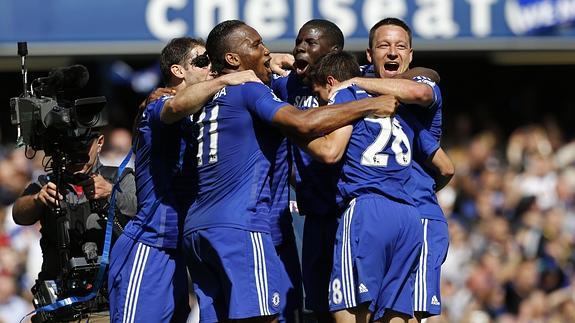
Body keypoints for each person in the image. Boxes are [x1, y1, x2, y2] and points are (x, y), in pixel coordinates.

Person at [183, 20, 398, 323]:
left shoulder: (209, 96)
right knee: (282, 314)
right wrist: (368, 106)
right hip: (249, 223)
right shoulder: (263, 89)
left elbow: (425, 82)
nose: (269, 51)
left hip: (207, 224)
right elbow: (316, 138)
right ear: (233, 59)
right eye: (257, 45)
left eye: (309, 43)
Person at [107, 37, 261, 323]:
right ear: (178, 71)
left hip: (180, 247)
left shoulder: (199, 110)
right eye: (202, 62)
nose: (211, 69)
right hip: (149, 245)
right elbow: (174, 108)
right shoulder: (159, 104)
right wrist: (225, 81)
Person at [306, 51, 454, 323]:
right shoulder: (399, 107)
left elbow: (331, 151)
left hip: (367, 209)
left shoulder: (344, 95)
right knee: (397, 313)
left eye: (319, 95)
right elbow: (446, 166)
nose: (321, 102)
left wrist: (295, 132)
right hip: (409, 215)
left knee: (348, 309)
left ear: (331, 81)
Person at [12, 131, 137, 322]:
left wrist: (112, 194)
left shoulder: (121, 177)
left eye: (84, 148)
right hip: (58, 305)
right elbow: (19, 214)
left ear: (100, 142)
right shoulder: (47, 184)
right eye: (71, 148)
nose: (77, 155)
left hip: (108, 304)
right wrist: (37, 199)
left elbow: (143, 211)